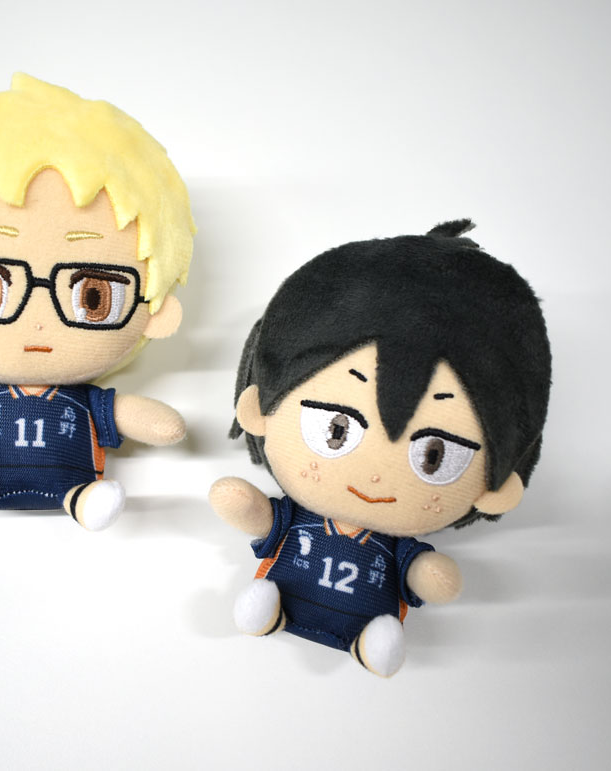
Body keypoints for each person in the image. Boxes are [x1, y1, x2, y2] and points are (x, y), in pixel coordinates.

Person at [209, 221, 551, 676]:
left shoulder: (395, 545)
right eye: (336, 429)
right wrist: (242, 504)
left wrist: (429, 575)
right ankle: (269, 612)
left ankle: (370, 643)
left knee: (380, 633)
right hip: (279, 597)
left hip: (369, 622)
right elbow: (254, 513)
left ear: (497, 485)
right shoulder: (300, 519)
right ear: (260, 408)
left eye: (434, 456)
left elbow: (430, 577)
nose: (374, 476)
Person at [0, 74, 195, 531]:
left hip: (71, 485)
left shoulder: (86, 400)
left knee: (85, 493)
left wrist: (162, 425)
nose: (39, 320)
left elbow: (153, 422)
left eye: (93, 295)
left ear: (155, 316)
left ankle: (81, 499)